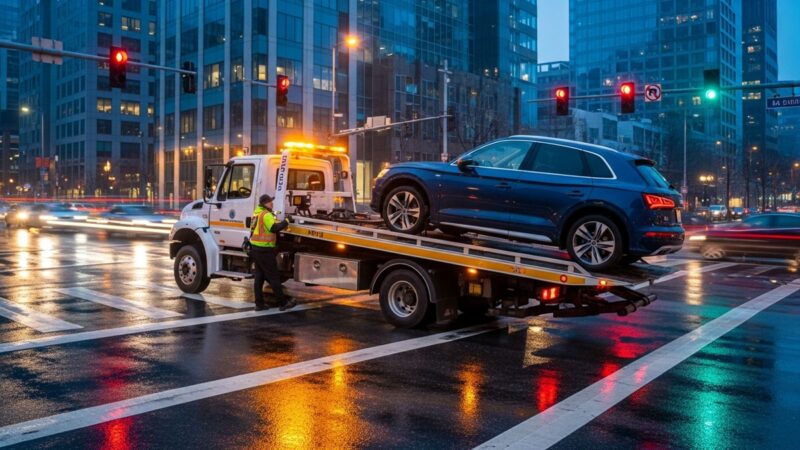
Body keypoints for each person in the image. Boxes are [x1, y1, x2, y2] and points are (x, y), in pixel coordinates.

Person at [250, 194, 296, 311]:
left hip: (255, 249)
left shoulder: (256, 213)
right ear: (265, 203)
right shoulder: (266, 215)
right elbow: (274, 228)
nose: (272, 204)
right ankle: (283, 303)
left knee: (259, 278)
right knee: (274, 277)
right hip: (265, 250)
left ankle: (259, 304)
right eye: (270, 202)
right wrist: (286, 221)